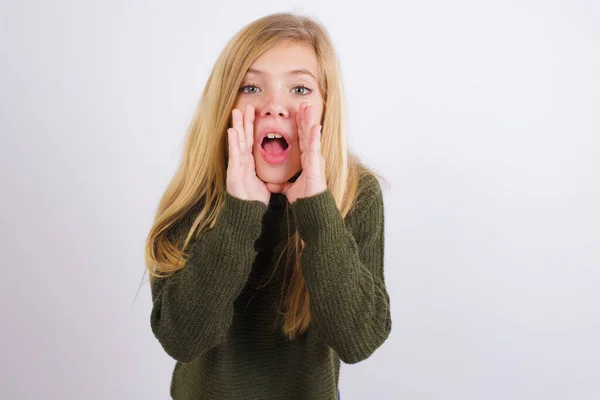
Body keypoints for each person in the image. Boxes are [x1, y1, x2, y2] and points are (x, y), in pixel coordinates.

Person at [144, 11, 391, 400]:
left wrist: (317, 211)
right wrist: (238, 214)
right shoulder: (197, 193)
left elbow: (358, 341)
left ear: (327, 107)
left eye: (299, 89)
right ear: (226, 104)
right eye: (251, 88)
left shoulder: (355, 195)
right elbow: (181, 339)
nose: (275, 107)